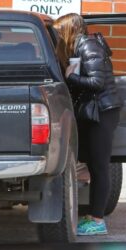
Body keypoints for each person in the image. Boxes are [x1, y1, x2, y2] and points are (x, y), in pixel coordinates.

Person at [53, 13, 122, 236]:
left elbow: (96, 82)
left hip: (103, 112)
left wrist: (70, 77)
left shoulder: (89, 45)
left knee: (100, 167)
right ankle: (94, 214)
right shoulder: (80, 47)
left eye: (59, 33)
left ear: (69, 30)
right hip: (97, 111)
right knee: (93, 164)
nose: (58, 38)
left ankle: (97, 220)